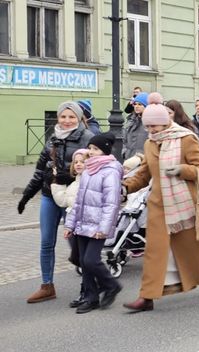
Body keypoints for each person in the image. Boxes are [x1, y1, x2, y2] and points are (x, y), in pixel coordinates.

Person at [122, 94, 199, 312]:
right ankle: (147, 297)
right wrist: (125, 187)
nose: (151, 131)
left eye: (154, 126)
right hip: (158, 206)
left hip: (183, 203)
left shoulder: (186, 139)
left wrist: (182, 170)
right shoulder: (151, 143)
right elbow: (144, 174)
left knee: (193, 248)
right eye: (148, 126)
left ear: (166, 121)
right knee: (154, 252)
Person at [19, 102, 94, 303]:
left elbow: (96, 169)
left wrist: (66, 174)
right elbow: (39, 171)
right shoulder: (52, 138)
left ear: (79, 118)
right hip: (50, 195)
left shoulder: (88, 138)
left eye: (71, 117)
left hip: (73, 197)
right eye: (63, 117)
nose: (67, 120)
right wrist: (26, 196)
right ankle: (47, 286)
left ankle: (88, 287)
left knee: (79, 245)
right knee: (46, 243)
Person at [64, 132, 123, 313]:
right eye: (90, 148)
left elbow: (111, 203)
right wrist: (70, 224)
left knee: (91, 260)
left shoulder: (111, 171)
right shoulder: (89, 169)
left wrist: (103, 228)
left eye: (95, 149)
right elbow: (79, 201)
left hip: (97, 226)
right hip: (82, 223)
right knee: (83, 260)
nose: (91, 152)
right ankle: (91, 297)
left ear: (105, 151)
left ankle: (111, 285)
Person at [51, 148, 89, 308]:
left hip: (85, 225)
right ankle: (89, 290)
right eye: (76, 162)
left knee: (85, 260)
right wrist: (56, 183)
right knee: (77, 258)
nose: (79, 164)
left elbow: (80, 204)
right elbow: (63, 201)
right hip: (74, 225)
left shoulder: (89, 180)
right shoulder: (75, 182)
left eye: (82, 161)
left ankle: (91, 290)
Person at [122, 91, 149, 161]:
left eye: (140, 104)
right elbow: (124, 139)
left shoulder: (149, 123)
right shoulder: (131, 120)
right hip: (129, 159)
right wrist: (125, 153)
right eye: (135, 104)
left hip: (143, 161)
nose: (136, 106)